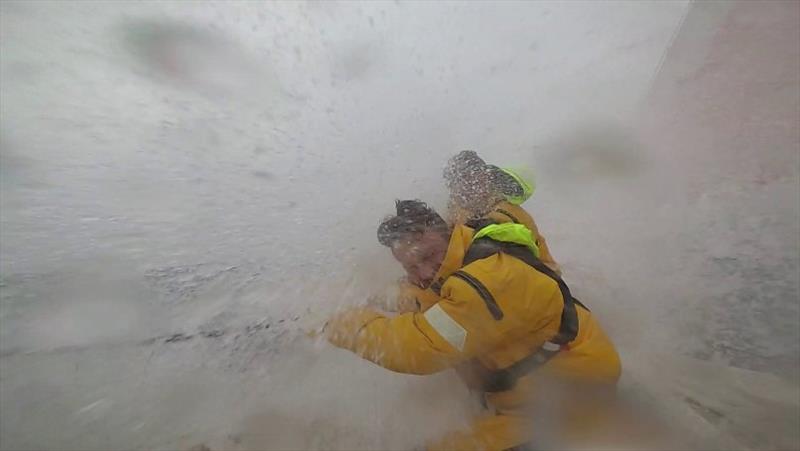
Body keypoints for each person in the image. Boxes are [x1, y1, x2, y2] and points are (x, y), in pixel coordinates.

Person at [325, 200, 621, 451]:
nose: (424, 273)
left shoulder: (492, 277)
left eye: (427, 257)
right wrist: (332, 307)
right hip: (531, 396)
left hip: (566, 401)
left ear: (450, 234)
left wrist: (334, 325)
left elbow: (418, 350)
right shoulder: (457, 262)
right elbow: (418, 296)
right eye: (410, 267)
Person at [444, 150, 560, 275]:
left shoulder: (505, 215)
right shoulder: (458, 208)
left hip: (540, 276)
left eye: (469, 179)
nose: (462, 188)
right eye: (455, 183)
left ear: (486, 177)